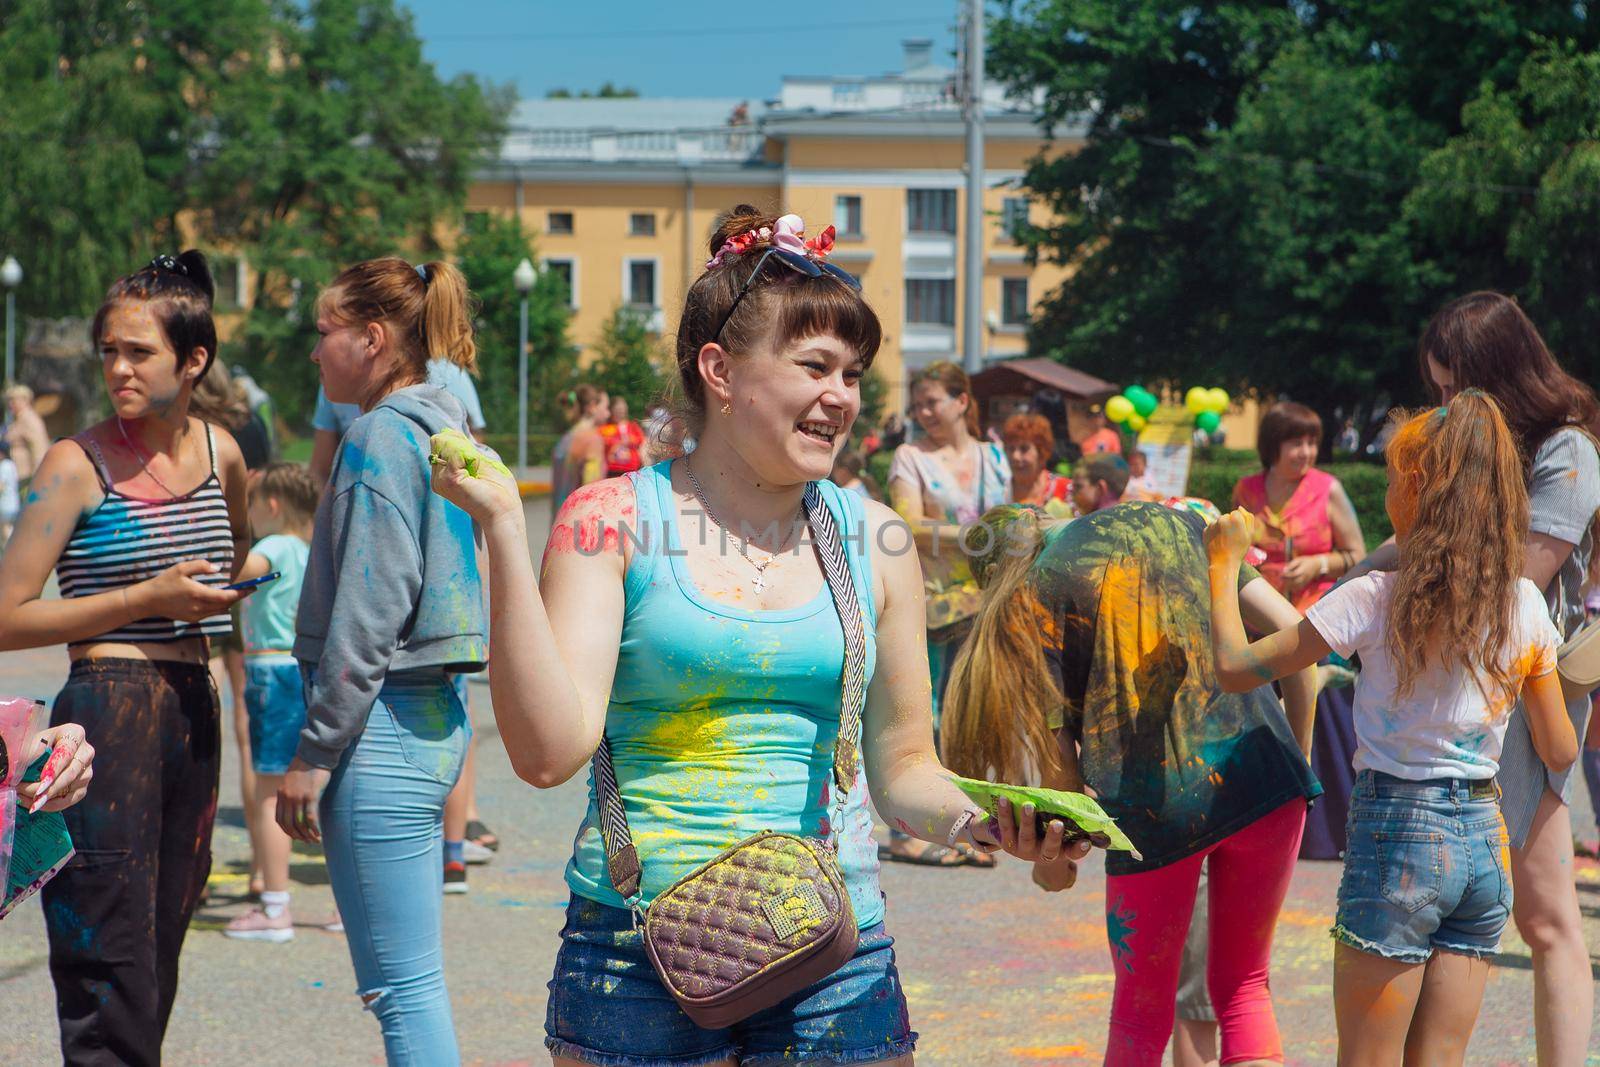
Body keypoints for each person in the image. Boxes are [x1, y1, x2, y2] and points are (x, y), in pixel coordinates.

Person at [430, 205, 1066, 1066]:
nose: (841, 395)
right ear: (722, 370)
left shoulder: (874, 538)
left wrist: (982, 820)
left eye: (852, 372)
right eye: (815, 366)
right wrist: (504, 531)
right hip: (637, 954)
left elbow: (905, 766)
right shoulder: (608, 519)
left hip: (834, 954)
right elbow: (546, 754)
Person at [1205, 393, 1579, 1064]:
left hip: (1399, 832)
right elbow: (1558, 749)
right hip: (1481, 843)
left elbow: (1236, 666)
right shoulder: (1523, 602)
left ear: (1414, 489)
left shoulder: (1374, 597)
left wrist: (1221, 566)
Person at [940, 499, 1320, 1065]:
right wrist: (1298, 770)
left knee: (1140, 1015)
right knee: (1245, 991)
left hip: (1154, 815)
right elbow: (1301, 646)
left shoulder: (1031, 596)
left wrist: (1054, 866)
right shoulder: (1179, 520)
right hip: (1269, 777)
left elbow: (1061, 784)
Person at [0, 251, 252, 1065]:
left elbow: (236, 558)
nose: (118, 367)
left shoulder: (225, 455)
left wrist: (242, 589)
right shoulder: (75, 464)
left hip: (193, 713)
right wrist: (147, 598)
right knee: (107, 964)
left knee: (161, 949)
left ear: (195, 359)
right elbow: (6, 616)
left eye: (139, 351)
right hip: (103, 715)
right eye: (108, 349)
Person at [1343, 292, 1600, 1062]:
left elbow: (1516, 576)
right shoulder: (1481, 444)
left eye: (1455, 387)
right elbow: (1419, 543)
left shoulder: (1568, 451)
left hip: (1527, 689)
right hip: (1469, 696)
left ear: (1499, 374)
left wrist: (1374, 581)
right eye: (1439, 389)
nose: (1446, 404)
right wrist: (1349, 586)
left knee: (1549, 917)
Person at [273, 257, 487, 1066]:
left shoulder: (377, 435)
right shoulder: (442, 423)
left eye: (325, 333)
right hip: (430, 719)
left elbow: (370, 610)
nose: (317, 352)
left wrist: (314, 750)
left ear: (371, 338)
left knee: (401, 990)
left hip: (382, 728)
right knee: (415, 983)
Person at [887, 359, 1010, 866]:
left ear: (962, 401)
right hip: (933, 602)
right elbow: (907, 526)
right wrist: (975, 537)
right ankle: (912, 830)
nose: (923, 411)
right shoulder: (909, 457)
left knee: (976, 715)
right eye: (918, 403)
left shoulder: (994, 455)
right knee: (928, 717)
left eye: (932, 400)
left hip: (992, 603)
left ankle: (972, 828)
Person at [223, 463, 319, 943]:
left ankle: (275, 905)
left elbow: (239, 576)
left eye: (252, 507)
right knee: (310, 786)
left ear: (272, 505)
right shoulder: (307, 549)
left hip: (268, 671)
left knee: (268, 790)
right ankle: (344, 906)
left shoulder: (273, 546)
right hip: (302, 669)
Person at [193, 361, 275, 897]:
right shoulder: (246, 428)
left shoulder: (179, 434)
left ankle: (194, 860)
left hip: (190, 579)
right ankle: (262, 869)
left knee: (196, 718)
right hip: (241, 571)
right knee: (249, 726)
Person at [1232, 402, 1366, 612]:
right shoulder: (1246, 490)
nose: (1307, 452)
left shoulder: (1328, 489)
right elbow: (1233, 553)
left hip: (1314, 618)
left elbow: (1358, 557)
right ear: (1272, 445)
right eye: (1297, 443)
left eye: (1312, 443)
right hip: (1256, 618)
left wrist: (1318, 565)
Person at [548, 384, 609, 525]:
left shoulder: (565, 438)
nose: (608, 414)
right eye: (605, 407)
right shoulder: (592, 440)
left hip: (558, 522)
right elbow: (591, 491)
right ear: (592, 407)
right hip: (580, 525)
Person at [1002, 412, 1071, 507]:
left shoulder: (1065, 489)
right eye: (1011, 449)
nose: (1015, 456)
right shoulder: (999, 491)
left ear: (1042, 452)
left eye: (1024, 449)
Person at [4, 383, 52, 483]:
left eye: (14, 400)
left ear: (26, 400)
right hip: (16, 476)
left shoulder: (30, 419)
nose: (10, 404)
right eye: (9, 400)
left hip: (27, 477)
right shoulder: (18, 419)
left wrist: (38, 477)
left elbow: (39, 448)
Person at [599, 395, 646, 477]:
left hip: (631, 470)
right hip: (612, 469)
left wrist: (630, 440)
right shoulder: (606, 427)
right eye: (617, 410)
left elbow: (640, 439)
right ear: (611, 411)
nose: (620, 413)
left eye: (622, 410)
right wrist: (617, 442)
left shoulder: (632, 426)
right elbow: (602, 441)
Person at [0, 440, 18, 546]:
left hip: (5, 504)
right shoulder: (12, 465)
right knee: (10, 527)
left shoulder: (3, 466)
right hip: (14, 502)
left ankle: (9, 549)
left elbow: (1, 486)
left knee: (6, 529)